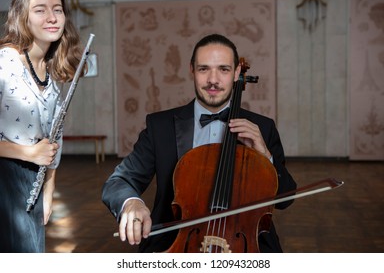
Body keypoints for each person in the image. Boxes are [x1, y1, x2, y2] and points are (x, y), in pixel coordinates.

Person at [102, 33, 297, 253]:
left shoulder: (262, 128)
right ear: (192, 71)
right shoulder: (160, 126)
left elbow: (285, 200)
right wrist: (131, 203)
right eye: (204, 69)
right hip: (177, 244)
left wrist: (265, 156)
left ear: (236, 74)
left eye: (223, 69)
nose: (213, 80)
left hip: (246, 246)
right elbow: (119, 180)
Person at [0, 0, 84, 252]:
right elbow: (37, 151)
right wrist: (28, 152)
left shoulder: (50, 71)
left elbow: (52, 141)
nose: (51, 17)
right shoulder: (5, 63)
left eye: (57, 9)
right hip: (5, 181)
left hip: (32, 180)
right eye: (40, 10)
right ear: (22, 16)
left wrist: (49, 190)